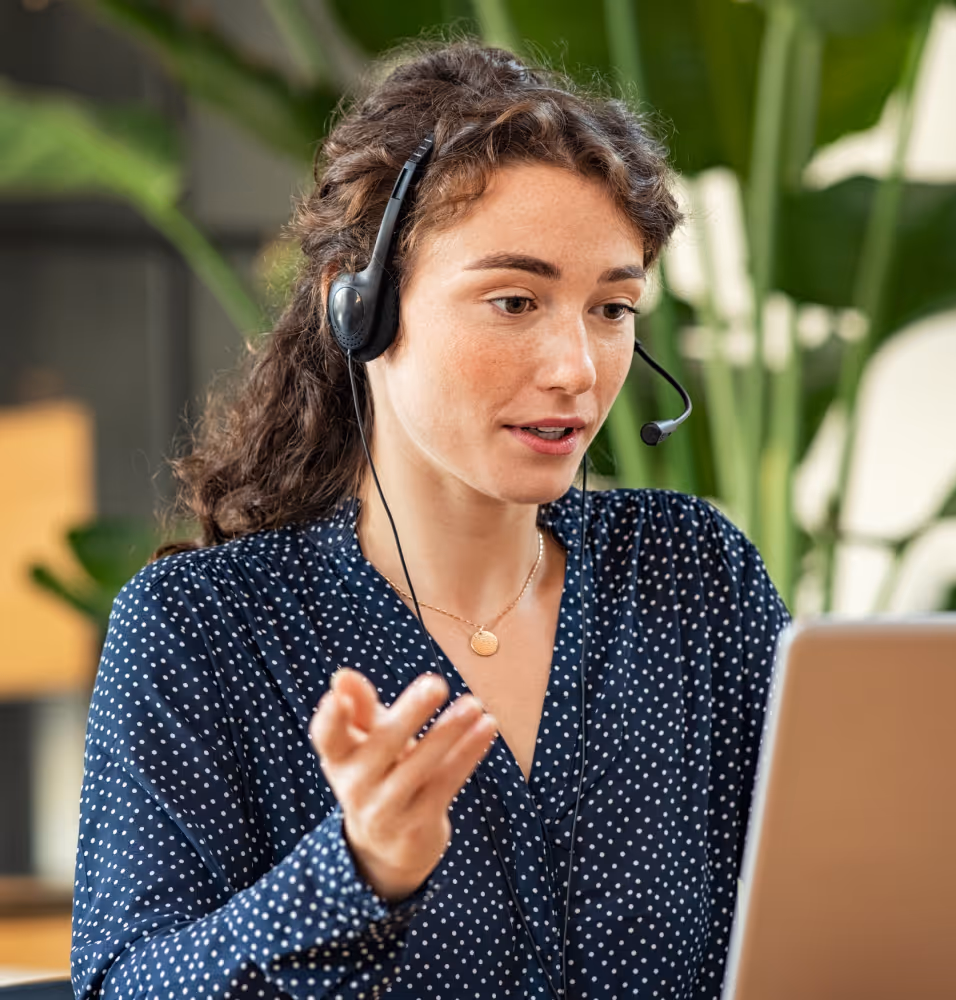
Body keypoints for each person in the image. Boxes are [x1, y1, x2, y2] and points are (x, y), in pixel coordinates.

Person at [71, 41, 790, 1000]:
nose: (577, 368)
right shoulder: (205, 631)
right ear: (359, 309)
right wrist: (356, 873)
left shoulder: (694, 576)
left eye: (612, 309)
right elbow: (119, 987)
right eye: (513, 300)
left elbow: (828, 912)